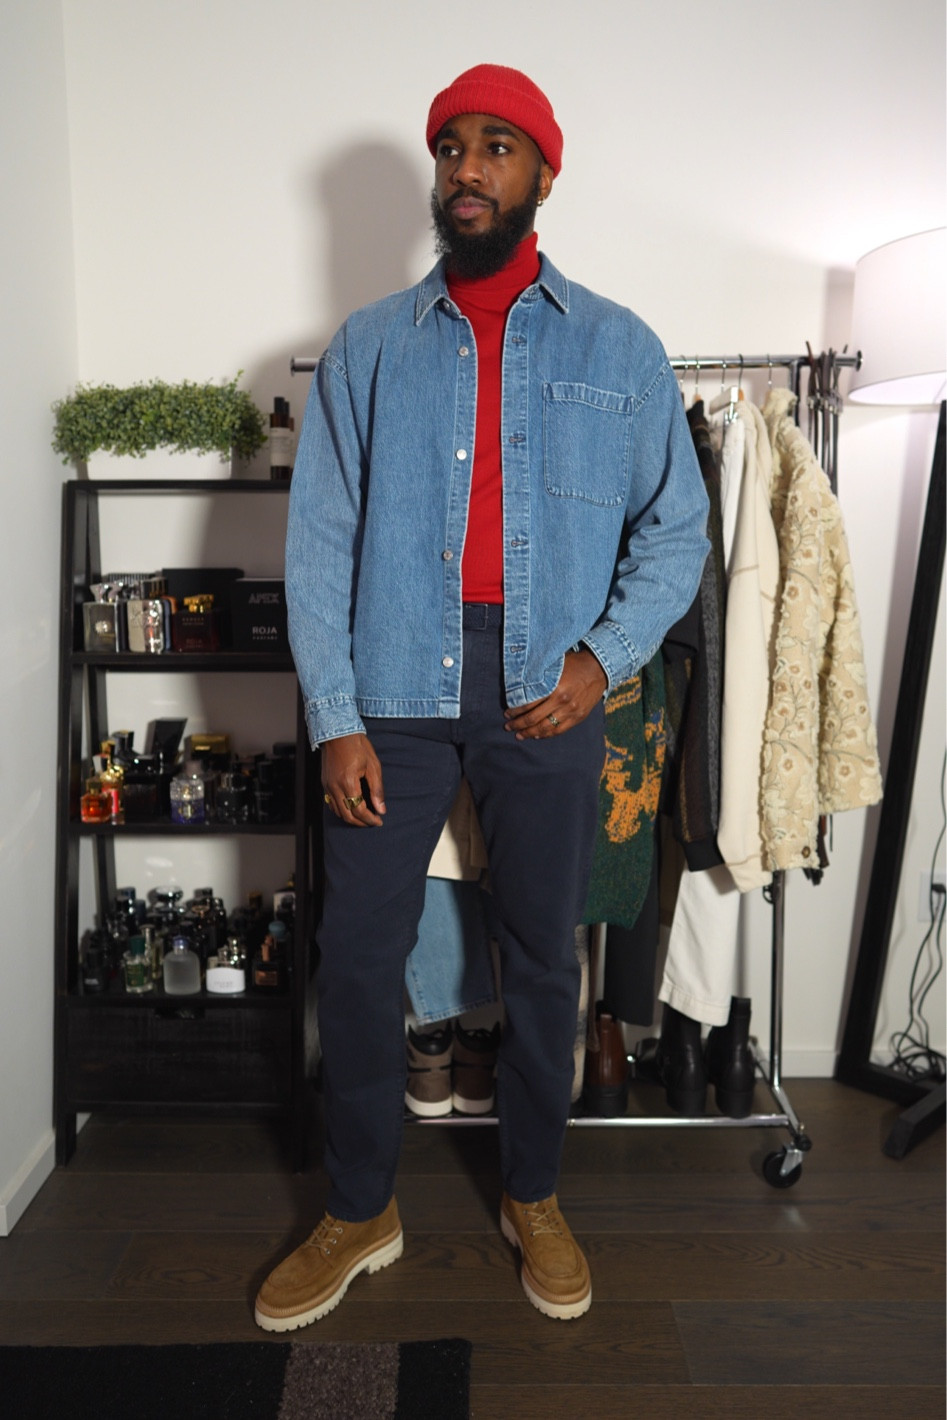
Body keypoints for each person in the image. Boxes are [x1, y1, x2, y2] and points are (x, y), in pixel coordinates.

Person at [255, 63, 709, 1331]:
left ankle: (532, 1192)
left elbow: (677, 530)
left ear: (542, 174)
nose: (467, 168)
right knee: (357, 955)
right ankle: (360, 1208)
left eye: (497, 147)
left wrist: (598, 659)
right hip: (393, 684)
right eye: (451, 146)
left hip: (544, 689)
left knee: (541, 957)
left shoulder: (617, 347)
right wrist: (335, 715)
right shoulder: (369, 348)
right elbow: (318, 545)